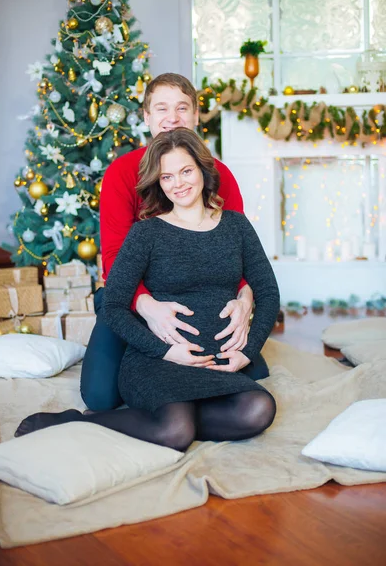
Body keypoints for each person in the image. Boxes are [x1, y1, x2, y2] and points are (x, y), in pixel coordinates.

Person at [15, 128, 280, 450]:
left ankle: (170, 416)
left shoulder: (236, 226)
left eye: (185, 171)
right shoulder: (147, 233)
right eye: (167, 177)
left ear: (203, 170)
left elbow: (267, 293)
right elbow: (113, 306)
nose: (178, 184)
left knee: (258, 410)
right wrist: (167, 351)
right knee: (174, 434)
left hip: (216, 361)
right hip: (157, 361)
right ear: (159, 183)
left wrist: (246, 352)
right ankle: (76, 421)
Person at [80, 73, 256, 412]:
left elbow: (242, 252)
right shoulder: (121, 172)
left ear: (196, 116)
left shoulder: (220, 175)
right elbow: (114, 256)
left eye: (182, 108)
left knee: (247, 374)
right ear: (147, 118)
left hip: (197, 296)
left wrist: (244, 300)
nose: (172, 118)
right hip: (132, 297)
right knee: (101, 397)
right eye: (161, 109)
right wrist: (148, 308)